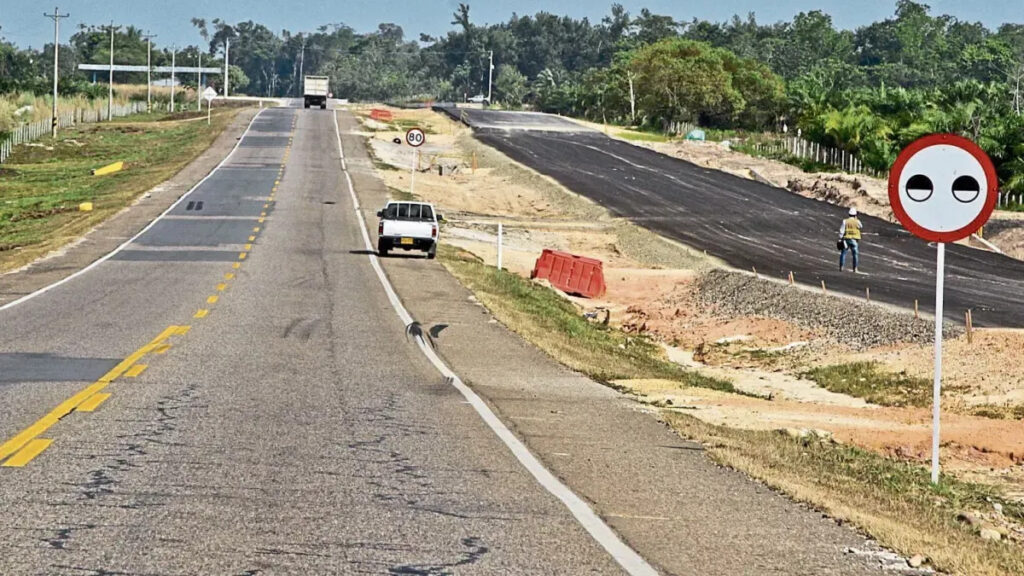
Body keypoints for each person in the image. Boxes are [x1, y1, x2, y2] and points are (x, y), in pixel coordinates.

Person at [839, 208, 863, 273]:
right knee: (855, 254)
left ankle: (841, 267)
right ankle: (855, 268)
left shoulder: (845, 221)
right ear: (855, 215)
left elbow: (842, 230)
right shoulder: (857, 221)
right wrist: (856, 219)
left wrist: (840, 238)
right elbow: (861, 226)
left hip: (846, 239)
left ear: (849, 214)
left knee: (843, 253)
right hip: (854, 240)